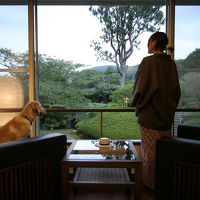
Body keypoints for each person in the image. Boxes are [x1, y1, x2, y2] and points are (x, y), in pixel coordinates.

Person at [131, 32, 181, 191]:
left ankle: (149, 185)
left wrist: (135, 104)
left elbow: (140, 88)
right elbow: (175, 91)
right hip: (166, 116)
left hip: (149, 116)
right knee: (164, 152)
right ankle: (165, 184)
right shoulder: (171, 64)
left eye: (148, 41)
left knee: (149, 153)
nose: (147, 45)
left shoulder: (148, 62)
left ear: (153, 42)